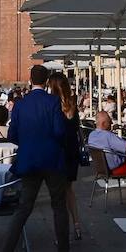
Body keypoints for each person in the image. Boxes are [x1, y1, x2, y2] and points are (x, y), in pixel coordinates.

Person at [0, 65, 81, 252]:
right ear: (46, 81)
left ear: (30, 79)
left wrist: (29, 143)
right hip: (53, 161)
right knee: (59, 207)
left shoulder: (20, 105)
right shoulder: (53, 102)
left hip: (29, 161)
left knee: (23, 209)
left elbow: (12, 135)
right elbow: (60, 132)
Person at [48, 72, 84, 241]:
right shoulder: (73, 103)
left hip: (58, 151)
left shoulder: (52, 105)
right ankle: (77, 225)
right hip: (72, 151)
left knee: (58, 194)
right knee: (69, 190)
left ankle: (61, 233)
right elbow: (76, 129)